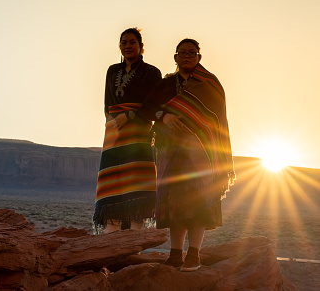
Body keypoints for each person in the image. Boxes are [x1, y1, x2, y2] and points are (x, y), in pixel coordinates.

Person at [138, 38, 235, 271]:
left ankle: (194, 254)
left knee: (199, 201)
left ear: (199, 57)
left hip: (201, 152)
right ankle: (175, 255)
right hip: (170, 150)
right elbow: (146, 109)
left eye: (192, 52)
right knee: (175, 203)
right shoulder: (166, 84)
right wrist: (164, 116)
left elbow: (217, 121)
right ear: (175, 57)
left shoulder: (210, 85)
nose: (187, 56)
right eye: (182, 53)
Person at [93, 27, 162, 234]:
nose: (128, 46)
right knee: (113, 184)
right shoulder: (112, 70)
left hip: (139, 135)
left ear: (142, 46)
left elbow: (154, 106)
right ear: (119, 47)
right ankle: (110, 242)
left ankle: (134, 244)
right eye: (124, 43)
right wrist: (111, 125)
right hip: (113, 135)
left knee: (137, 186)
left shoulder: (152, 72)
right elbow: (107, 104)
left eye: (132, 42)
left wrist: (129, 116)